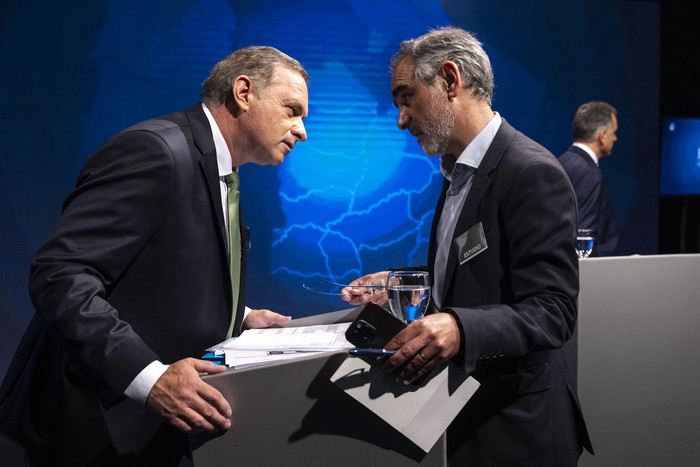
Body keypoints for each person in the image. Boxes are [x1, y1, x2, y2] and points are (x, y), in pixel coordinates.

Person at [0, 46, 308, 466]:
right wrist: (149, 378)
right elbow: (61, 274)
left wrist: (238, 314)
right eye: (292, 109)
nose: (301, 129)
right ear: (243, 92)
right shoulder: (156, 151)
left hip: (138, 438)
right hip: (76, 432)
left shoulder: (221, 168)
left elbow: (161, 270)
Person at [342, 27, 593, 466]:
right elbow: (473, 273)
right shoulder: (459, 169)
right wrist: (405, 283)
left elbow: (553, 310)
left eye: (406, 97)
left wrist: (459, 328)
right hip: (467, 421)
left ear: (450, 80)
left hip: (518, 432)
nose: (401, 119)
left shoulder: (530, 172)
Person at [559, 101, 619, 256]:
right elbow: (582, 238)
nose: (615, 138)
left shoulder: (562, 161)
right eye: (613, 132)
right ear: (602, 135)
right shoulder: (589, 172)